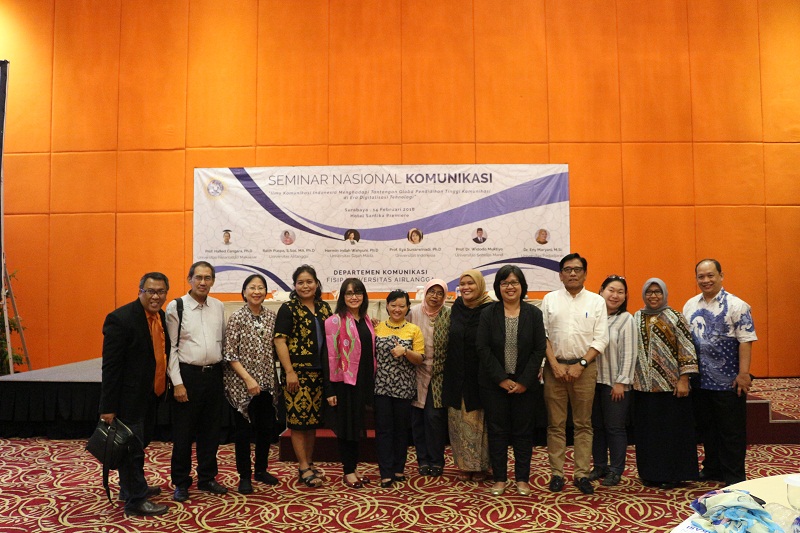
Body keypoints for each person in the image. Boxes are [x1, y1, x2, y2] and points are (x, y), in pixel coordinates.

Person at [100, 272, 171, 516]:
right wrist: (108, 407)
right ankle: (136, 500)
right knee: (131, 449)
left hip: (151, 395)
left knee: (140, 444)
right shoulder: (120, 319)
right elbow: (110, 367)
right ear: (140, 291)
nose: (155, 296)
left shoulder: (160, 316)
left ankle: (129, 487)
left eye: (161, 292)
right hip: (127, 399)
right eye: (150, 291)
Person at [683, 259, 757, 486]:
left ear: (721, 276)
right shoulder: (690, 305)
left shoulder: (737, 305)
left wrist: (744, 374)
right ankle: (713, 468)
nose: (706, 280)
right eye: (701, 276)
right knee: (708, 429)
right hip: (700, 381)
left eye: (710, 275)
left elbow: (746, 341)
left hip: (729, 381)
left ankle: (734, 476)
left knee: (731, 431)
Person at [541, 253, 608, 495]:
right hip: (554, 369)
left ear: (585, 274)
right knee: (555, 425)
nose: (572, 273)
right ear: (560, 275)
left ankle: (581, 474)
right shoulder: (549, 300)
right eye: (567, 269)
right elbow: (543, 335)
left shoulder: (596, 302)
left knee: (583, 425)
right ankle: (557, 473)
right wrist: (554, 365)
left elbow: (601, 338)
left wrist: (581, 364)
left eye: (577, 269)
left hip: (585, 370)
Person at [477, 266, 546, 496]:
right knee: (497, 432)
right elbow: (483, 348)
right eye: (505, 282)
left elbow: (539, 349)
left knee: (523, 433)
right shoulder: (488, 313)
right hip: (494, 384)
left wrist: (524, 381)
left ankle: (522, 479)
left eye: (514, 282)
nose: (510, 287)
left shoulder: (533, 314)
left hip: (525, 385)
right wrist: (501, 379)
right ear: (498, 287)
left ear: (522, 286)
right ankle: (499, 478)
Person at [166, 261, 228, 502]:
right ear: (189, 279)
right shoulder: (177, 306)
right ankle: (181, 482)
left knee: (210, 432)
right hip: (187, 376)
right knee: (183, 434)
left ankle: (207, 477)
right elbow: (171, 349)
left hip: (213, 376)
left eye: (207, 278)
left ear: (213, 281)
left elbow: (222, 342)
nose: (203, 282)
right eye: (198, 277)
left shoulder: (218, 306)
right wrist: (178, 383)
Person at [633, 278, 699, 489]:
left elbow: (686, 347)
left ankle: (674, 474)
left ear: (664, 294)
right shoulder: (636, 317)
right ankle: (650, 474)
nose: (653, 296)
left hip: (671, 386)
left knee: (671, 433)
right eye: (649, 292)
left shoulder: (676, 317)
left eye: (657, 292)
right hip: (643, 387)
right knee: (648, 434)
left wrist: (684, 378)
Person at [274, 264, 332, 487]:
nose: (305, 286)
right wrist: (289, 372)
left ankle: (309, 461)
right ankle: (303, 466)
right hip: (297, 375)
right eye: (300, 282)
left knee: (312, 422)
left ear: (316, 284)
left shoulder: (324, 307)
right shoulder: (288, 308)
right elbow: (280, 341)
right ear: (294, 285)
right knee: (298, 423)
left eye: (309, 282)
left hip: (320, 374)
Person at [223, 274, 281, 495]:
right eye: (252, 287)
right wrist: (248, 379)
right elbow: (230, 354)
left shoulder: (271, 317)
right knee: (243, 433)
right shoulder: (236, 317)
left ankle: (261, 470)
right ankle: (245, 476)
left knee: (265, 429)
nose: (256, 291)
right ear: (244, 292)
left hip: (267, 383)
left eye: (261, 288)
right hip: (241, 385)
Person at [323, 278, 376, 489]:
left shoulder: (367, 320)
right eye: (349, 293)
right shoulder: (333, 322)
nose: (354, 297)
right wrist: (329, 389)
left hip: (362, 382)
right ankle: (348, 471)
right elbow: (327, 357)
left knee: (356, 427)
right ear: (342, 297)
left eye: (358, 292)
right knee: (347, 428)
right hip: (343, 384)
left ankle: (354, 468)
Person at [442, 270, 494, 482]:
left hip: (481, 375)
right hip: (456, 373)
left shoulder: (491, 309)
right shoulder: (457, 307)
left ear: (480, 285)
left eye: (470, 283)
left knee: (480, 422)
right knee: (458, 420)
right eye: (462, 284)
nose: (465, 287)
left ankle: (482, 466)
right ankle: (464, 464)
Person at [373, 290, 425, 488]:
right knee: (384, 430)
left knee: (401, 430)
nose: (397, 309)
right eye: (393, 305)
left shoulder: (414, 330)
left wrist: (405, 351)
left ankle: (398, 468)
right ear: (387, 306)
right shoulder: (377, 327)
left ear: (408, 308)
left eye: (402, 306)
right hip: (381, 386)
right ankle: (385, 471)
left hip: (404, 387)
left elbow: (420, 359)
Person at [589, 275, 637, 487]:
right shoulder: (593, 316)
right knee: (596, 427)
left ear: (625, 296)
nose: (615, 295)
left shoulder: (626, 319)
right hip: (592, 382)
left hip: (615, 384)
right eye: (611, 290)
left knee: (615, 428)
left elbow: (630, 353)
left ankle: (616, 469)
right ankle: (600, 466)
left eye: (620, 292)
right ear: (601, 291)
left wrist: (621, 382)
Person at [407, 279, 450, 477]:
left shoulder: (448, 314)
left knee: (434, 419)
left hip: (440, 374)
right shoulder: (413, 312)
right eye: (431, 292)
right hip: (416, 371)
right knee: (417, 420)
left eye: (440, 293)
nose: (435, 296)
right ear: (425, 293)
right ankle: (423, 460)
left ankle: (436, 460)